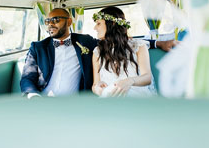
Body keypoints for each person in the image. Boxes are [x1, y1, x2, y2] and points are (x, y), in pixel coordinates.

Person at [20, 8, 171, 99]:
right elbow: (27, 78)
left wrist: (159, 43)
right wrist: (34, 97)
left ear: (69, 22)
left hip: (75, 101)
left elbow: (121, 43)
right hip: (41, 100)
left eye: (56, 20)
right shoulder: (37, 47)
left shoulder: (86, 42)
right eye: (47, 21)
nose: (50, 24)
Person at [92, 6, 156, 97]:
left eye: (98, 24)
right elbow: (95, 84)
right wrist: (98, 89)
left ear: (112, 23)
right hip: (110, 97)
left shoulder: (139, 46)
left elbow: (147, 77)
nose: (95, 28)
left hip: (135, 95)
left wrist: (130, 81)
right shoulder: (97, 52)